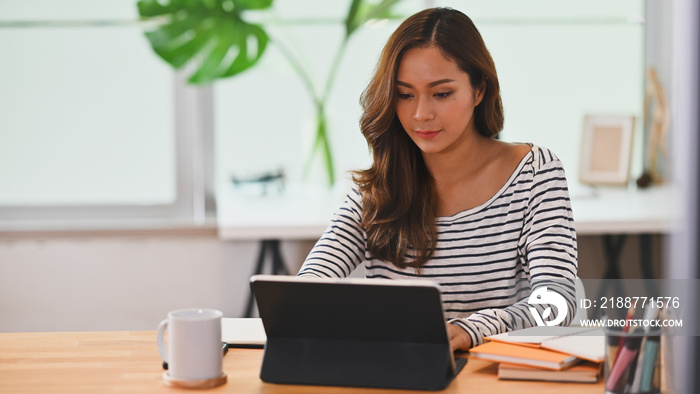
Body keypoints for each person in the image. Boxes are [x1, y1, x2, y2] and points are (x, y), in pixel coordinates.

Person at [297, 7, 578, 351]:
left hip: (493, 376)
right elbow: (311, 284)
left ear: (479, 91)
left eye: (441, 93)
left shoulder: (535, 173)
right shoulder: (379, 185)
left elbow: (557, 303)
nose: (421, 114)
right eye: (405, 94)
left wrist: (472, 329)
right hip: (397, 375)